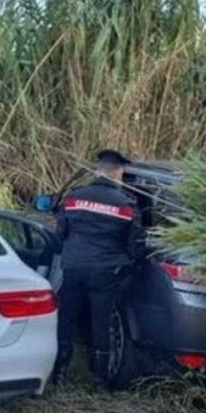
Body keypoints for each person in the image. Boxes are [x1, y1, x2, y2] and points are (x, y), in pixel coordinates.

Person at [53, 149, 145, 388]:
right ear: (119, 173)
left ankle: (59, 371)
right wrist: (127, 265)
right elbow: (135, 246)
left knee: (67, 317)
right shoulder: (127, 205)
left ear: (98, 170)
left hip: (74, 267)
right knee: (101, 322)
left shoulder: (74, 198)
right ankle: (100, 380)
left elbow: (60, 233)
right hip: (105, 271)